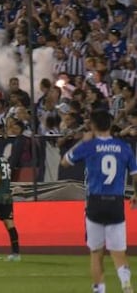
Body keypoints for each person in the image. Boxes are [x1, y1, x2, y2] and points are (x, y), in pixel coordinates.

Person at [62, 109, 137, 293]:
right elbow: (135, 175)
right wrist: (135, 193)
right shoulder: (124, 147)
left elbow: (64, 162)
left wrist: (83, 141)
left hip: (95, 201)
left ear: (93, 126)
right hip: (116, 202)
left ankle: (99, 290)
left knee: (96, 253)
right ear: (110, 125)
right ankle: (126, 285)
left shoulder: (89, 146)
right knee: (118, 253)